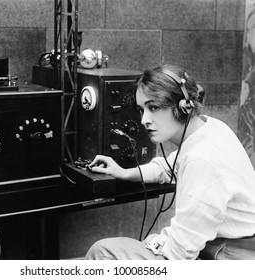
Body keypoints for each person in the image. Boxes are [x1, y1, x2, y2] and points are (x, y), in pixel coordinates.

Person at [85, 64, 255, 260]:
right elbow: (166, 167)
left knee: (103, 251)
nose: (144, 120)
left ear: (183, 107)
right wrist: (123, 172)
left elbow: (179, 254)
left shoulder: (202, 160)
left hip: (231, 257)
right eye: (142, 110)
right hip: (219, 244)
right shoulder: (211, 128)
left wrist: (154, 246)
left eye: (154, 107)